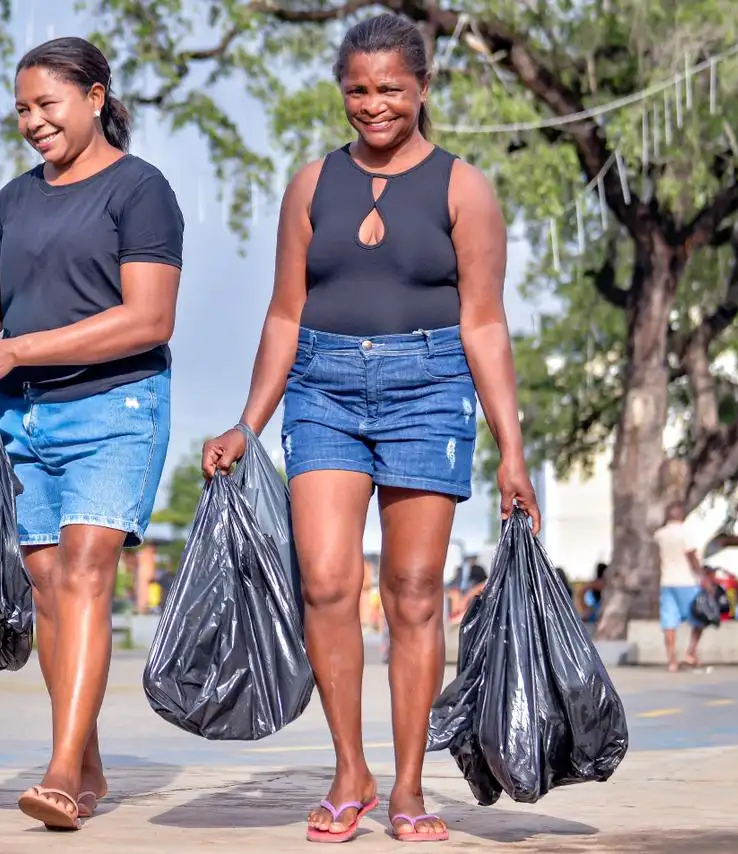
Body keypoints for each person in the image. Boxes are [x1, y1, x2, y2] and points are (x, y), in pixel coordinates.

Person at [200, 13, 539, 844]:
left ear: (422, 88)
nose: (374, 104)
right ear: (341, 91)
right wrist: (249, 421)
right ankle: (351, 766)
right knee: (324, 581)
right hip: (323, 387)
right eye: (358, 89)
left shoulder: (465, 188)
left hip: (430, 388)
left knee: (416, 592)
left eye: (391, 88)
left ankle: (411, 785)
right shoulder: (312, 185)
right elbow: (285, 313)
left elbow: (485, 325)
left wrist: (513, 453)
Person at [0, 35, 183, 832]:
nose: (33, 122)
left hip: (115, 408)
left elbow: (148, 317)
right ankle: (89, 758)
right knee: (47, 592)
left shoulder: (141, 191)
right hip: (21, 415)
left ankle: (64, 771)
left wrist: (15, 350)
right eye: (22, 110)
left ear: (96, 96)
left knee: (83, 576)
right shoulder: (14, 200)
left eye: (48, 104)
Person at [653, 502, 710, 671]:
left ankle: (671, 660)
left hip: (667, 582)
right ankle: (690, 652)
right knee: (699, 616)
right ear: (682, 516)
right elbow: (691, 555)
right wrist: (703, 577)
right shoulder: (686, 533)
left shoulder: (660, 534)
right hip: (687, 582)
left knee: (669, 622)